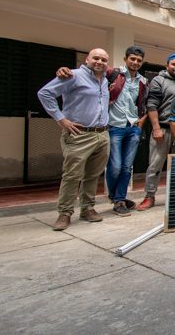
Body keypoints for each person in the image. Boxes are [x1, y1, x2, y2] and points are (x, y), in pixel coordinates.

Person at [55, 45, 148, 217]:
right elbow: (90, 71)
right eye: (132, 59)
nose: (135, 63)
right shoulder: (112, 73)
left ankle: (119, 199)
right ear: (125, 59)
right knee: (114, 167)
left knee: (127, 168)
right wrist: (64, 71)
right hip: (113, 126)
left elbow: (144, 103)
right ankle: (114, 196)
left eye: (139, 61)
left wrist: (141, 122)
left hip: (132, 128)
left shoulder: (143, 81)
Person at [38, 48, 111, 230]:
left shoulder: (104, 79)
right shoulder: (73, 76)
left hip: (101, 134)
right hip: (80, 134)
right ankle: (64, 213)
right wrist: (61, 119)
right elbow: (44, 93)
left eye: (103, 59)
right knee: (72, 175)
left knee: (92, 175)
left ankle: (87, 209)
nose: (99, 62)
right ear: (87, 59)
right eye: (96, 58)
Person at [137, 53, 175, 211]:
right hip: (163, 128)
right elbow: (151, 105)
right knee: (155, 164)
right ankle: (149, 196)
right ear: (167, 66)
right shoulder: (159, 80)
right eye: (173, 64)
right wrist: (156, 128)